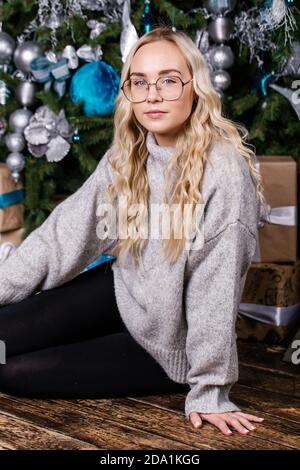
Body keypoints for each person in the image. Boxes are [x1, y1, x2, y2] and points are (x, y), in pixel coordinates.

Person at [0, 26, 266, 436]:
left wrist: (210, 389)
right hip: (125, 292)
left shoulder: (224, 172)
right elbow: (62, 237)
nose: (152, 95)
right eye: (139, 82)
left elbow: (217, 288)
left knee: (13, 370)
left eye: (168, 81)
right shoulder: (129, 153)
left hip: (170, 342)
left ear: (194, 87)